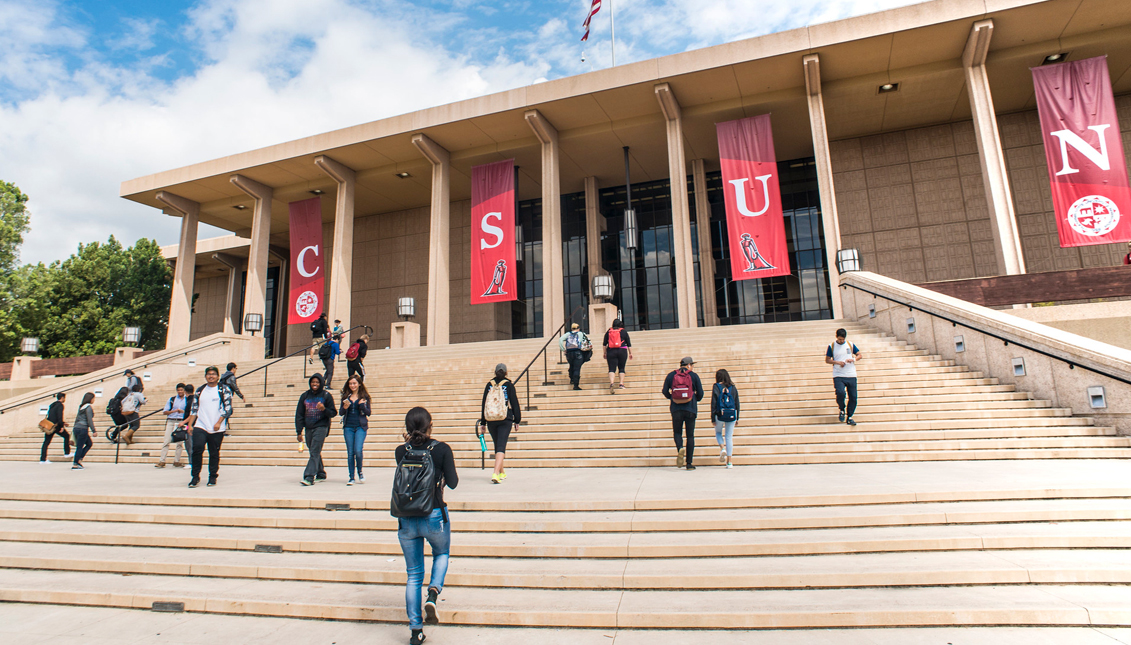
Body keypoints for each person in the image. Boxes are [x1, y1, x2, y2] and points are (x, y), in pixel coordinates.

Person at [394, 407, 458, 645]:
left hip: (407, 518)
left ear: (407, 427)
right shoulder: (441, 449)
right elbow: (453, 482)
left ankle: (415, 631)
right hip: (433, 513)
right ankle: (433, 593)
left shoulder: (401, 450)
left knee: (412, 575)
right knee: (441, 553)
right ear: (430, 424)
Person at [184, 366, 234, 488]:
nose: (211, 376)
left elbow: (228, 408)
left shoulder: (224, 389)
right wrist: (190, 425)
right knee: (197, 449)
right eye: (209, 374)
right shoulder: (200, 390)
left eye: (213, 374)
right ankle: (195, 477)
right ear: (205, 376)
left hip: (217, 427)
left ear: (218, 376)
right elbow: (194, 409)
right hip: (201, 425)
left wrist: (219, 422)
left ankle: (212, 476)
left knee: (214, 452)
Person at [479, 363, 520, 484]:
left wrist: (483, 422)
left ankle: (502, 472)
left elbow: (484, 403)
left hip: (491, 418)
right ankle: (496, 473)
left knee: (497, 445)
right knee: (501, 445)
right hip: (504, 418)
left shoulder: (489, 385)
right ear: (506, 372)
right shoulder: (508, 385)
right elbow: (515, 403)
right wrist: (517, 420)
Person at [662, 357, 704, 470]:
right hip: (690, 408)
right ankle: (689, 463)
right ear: (689, 365)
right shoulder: (693, 376)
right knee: (690, 435)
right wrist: (694, 398)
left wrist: (672, 397)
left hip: (676, 409)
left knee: (677, 432)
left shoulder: (671, 375)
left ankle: (680, 447)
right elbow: (701, 393)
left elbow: (664, 391)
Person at [295, 373, 337, 486]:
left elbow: (333, 412)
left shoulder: (326, 395)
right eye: (313, 382)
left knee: (314, 451)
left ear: (321, 383)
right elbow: (299, 414)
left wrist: (324, 409)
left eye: (317, 382)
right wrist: (299, 431)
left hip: (321, 426)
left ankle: (309, 476)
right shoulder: (305, 396)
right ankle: (321, 473)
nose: (315, 384)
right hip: (309, 427)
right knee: (313, 451)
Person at [826, 328, 863, 426]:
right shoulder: (832, 346)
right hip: (838, 374)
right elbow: (827, 360)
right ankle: (842, 409)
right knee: (840, 393)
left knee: (853, 397)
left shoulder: (850, 344)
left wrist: (853, 359)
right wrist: (837, 362)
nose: (841, 341)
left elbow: (860, 355)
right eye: (839, 339)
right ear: (836, 337)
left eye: (842, 339)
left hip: (851, 374)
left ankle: (850, 416)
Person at [339, 375, 371, 485]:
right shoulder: (345, 397)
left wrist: (362, 406)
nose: (352, 385)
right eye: (351, 383)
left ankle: (360, 471)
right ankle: (351, 477)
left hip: (360, 426)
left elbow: (368, 413)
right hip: (348, 426)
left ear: (359, 384)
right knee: (350, 452)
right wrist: (345, 407)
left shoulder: (364, 397)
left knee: (358, 450)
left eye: (354, 383)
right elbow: (340, 413)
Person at [711, 369, 740, 469]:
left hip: (719, 414)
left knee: (718, 432)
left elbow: (713, 403)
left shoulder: (716, 387)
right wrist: (737, 417)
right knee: (729, 437)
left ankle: (722, 448)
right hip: (731, 414)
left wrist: (712, 418)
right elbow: (737, 403)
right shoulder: (733, 387)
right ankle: (729, 462)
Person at [156, 384, 189, 468]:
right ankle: (162, 460)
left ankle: (177, 461)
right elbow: (165, 411)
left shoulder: (187, 399)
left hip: (181, 421)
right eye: (178, 390)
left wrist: (182, 412)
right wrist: (174, 411)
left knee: (180, 443)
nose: (180, 392)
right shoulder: (172, 399)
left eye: (181, 390)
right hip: (171, 420)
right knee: (166, 440)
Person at [603, 319, 633, 394]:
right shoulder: (624, 331)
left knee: (611, 368)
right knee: (621, 367)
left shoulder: (609, 331)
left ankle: (612, 383)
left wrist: (605, 353)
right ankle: (621, 384)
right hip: (622, 350)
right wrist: (630, 353)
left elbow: (604, 344)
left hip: (611, 351)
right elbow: (629, 343)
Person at [40, 392, 71, 463]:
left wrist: (63, 423)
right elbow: (59, 416)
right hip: (56, 426)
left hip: (49, 426)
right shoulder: (60, 405)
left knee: (46, 442)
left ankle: (42, 459)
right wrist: (61, 426)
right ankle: (67, 453)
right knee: (67, 436)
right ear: (62, 398)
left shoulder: (52, 405)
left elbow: (51, 416)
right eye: (64, 398)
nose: (64, 400)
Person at [558, 323, 590, 390]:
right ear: (578, 328)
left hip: (569, 353)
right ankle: (576, 385)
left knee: (571, 365)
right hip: (578, 353)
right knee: (577, 368)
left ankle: (571, 378)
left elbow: (560, 339)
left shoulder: (568, 334)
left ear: (572, 328)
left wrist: (563, 349)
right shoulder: (580, 333)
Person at [71, 392, 96, 470]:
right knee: (80, 446)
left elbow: (77, 418)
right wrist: (94, 430)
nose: (94, 400)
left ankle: (79, 459)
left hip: (77, 427)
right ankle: (76, 463)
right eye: (93, 398)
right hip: (83, 428)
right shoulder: (88, 407)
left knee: (89, 443)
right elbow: (89, 420)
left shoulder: (81, 407)